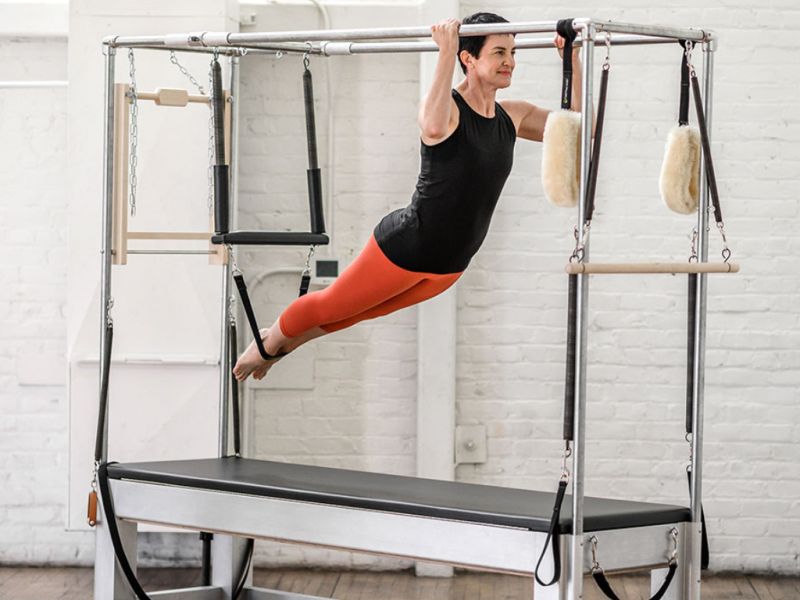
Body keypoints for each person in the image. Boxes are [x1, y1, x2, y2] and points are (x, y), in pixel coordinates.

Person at [234, 12, 585, 382]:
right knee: (330, 305)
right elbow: (432, 125)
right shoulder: (448, 109)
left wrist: (573, 61)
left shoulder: (513, 115)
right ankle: (266, 344)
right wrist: (445, 52)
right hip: (408, 246)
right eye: (499, 52)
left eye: (513, 52)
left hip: (451, 266)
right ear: (469, 58)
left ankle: (278, 347)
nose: (509, 61)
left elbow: (578, 132)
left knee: (356, 315)